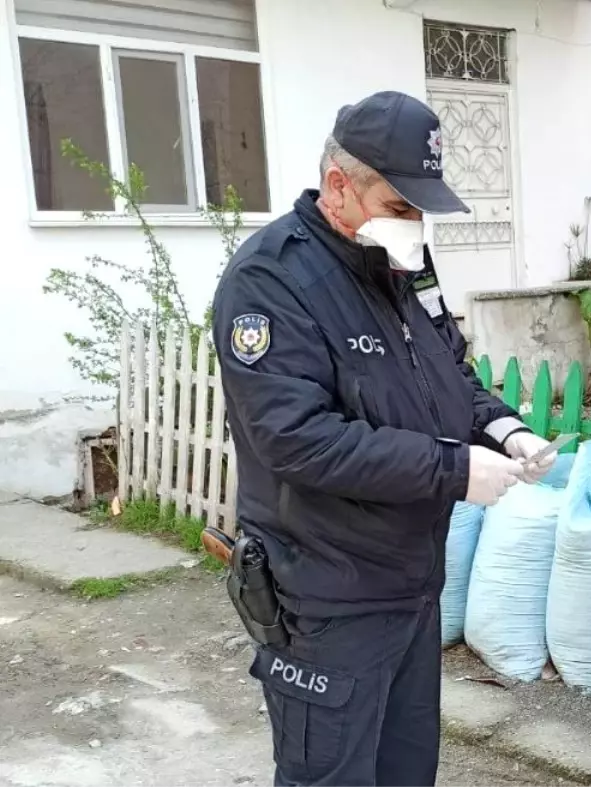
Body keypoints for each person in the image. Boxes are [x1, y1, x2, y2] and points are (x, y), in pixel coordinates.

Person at [211, 90, 557, 787]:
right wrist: (452, 470)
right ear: (340, 185)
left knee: (406, 770)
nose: (415, 224)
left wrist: (502, 427)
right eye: (401, 206)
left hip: (409, 584)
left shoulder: (403, 268)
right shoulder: (270, 279)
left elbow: (448, 375)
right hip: (325, 598)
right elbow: (297, 438)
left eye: (421, 208)